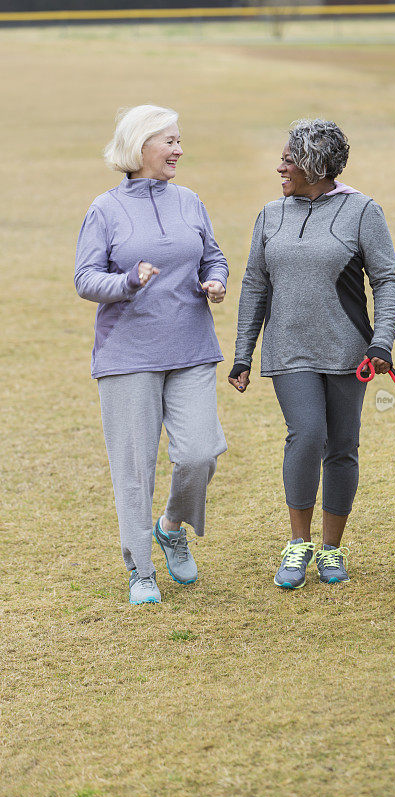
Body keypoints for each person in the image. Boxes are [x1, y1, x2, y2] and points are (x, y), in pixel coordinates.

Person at [229, 119, 395, 589]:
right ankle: (298, 544)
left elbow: (385, 281)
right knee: (305, 435)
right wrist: (243, 353)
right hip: (289, 349)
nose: (278, 167)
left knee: (342, 446)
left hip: (351, 353)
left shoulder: (362, 211)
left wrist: (381, 341)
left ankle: (331, 549)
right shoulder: (270, 214)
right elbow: (254, 284)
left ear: (313, 165)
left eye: (287, 160)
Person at [75, 104, 228, 605]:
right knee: (134, 469)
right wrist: (127, 281)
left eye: (179, 140)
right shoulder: (105, 209)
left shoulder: (189, 200)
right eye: (169, 141)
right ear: (141, 147)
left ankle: (171, 526)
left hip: (190, 348)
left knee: (200, 453)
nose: (179, 150)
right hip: (127, 356)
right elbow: (85, 278)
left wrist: (216, 279)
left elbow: (213, 253)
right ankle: (141, 571)